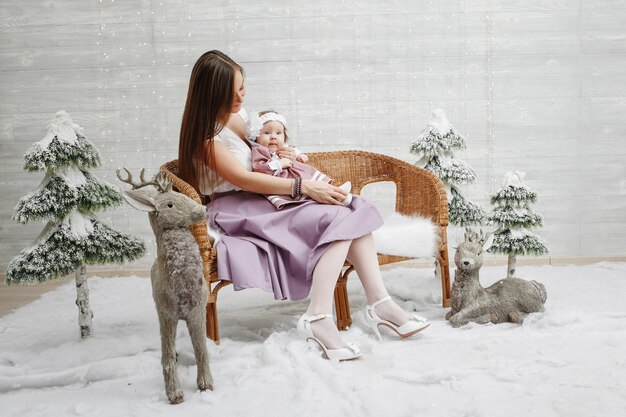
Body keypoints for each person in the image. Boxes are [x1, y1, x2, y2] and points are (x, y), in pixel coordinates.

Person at [178, 50, 429, 361]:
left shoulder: (236, 117)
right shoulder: (206, 140)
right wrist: (303, 187)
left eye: (242, 88)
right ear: (212, 94)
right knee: (338, 216)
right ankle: (319, 317)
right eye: (232, 93)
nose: (241, 98)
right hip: (237, 208)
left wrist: (285, 154)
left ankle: (379, 303)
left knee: (351, 207)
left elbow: (263, 148)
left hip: (266, 197)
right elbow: (244, 180)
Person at [251, 110, 352, 208]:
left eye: (278, 133)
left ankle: (338, 193)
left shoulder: (285, 148)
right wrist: (280, 164)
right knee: (311, 194)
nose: (273, 137)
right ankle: (336, 197)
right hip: (284, 184)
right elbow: (259, 168)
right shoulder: (260, 151)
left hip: (300, 177)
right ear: (256, 136)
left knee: (315, 183)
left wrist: (299, 155)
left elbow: (295, 151)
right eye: (267, 133)